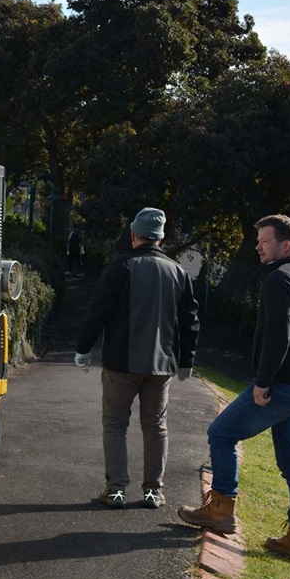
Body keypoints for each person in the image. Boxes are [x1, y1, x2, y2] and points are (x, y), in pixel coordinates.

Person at [177, 214, 290, 564]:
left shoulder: (280, 279)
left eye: (264, 241)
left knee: (222, 433)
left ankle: (221, 510)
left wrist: (263, 383)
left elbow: (279, 336)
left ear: (285, 245)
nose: (257, 246)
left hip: (282, 386)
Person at [75, 207, 200, 510]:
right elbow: (190, 321)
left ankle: (116, 491)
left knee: (115, 425)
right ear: (161, 237)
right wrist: (186, 360)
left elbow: (98, 311)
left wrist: (83, 347)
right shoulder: (178, 272)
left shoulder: (120, 266)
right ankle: (153, 492)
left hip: (121, 363)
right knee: (156, 427)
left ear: (133, 234)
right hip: (162, 365)